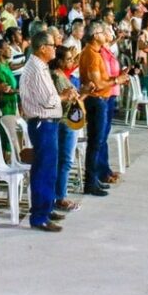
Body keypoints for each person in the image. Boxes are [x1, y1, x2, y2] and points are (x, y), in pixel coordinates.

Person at [20, 31, 74, 232]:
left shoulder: (41, 67)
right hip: (42, 122)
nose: (55, 47)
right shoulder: (35, 69)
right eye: (52, 44)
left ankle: (47, 206)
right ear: (42, 48)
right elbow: (48, 100)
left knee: (49, 169)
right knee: (43, 170)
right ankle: (39, 216)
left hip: (48, 122)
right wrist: (64, 96)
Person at [79, 23, 129, 192]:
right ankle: (91, 182)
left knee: (98, 141)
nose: (105, 35)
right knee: (95, 142)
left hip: (101, 98)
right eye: (101, 32)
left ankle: (94, 178)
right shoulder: (91, 55)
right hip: (97, 100)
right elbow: (98, 83)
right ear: (95, 36)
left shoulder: (95, 52)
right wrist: (116, 81)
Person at [49, 45, 82, 213]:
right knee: (65, 161)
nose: (72, 61)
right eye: (68, 59)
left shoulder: (62, 74)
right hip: (64, 121)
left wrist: (85, 93)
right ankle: (60, 197)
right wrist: (68, 96)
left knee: (65, 160)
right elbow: (55, 101)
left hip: (70, 119)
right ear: (59, 61)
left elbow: (73, 99)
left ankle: (59, 195)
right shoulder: (55, 76)